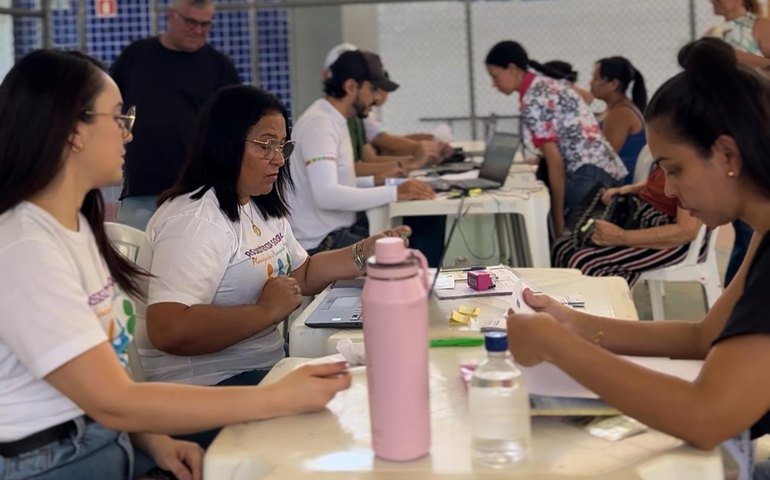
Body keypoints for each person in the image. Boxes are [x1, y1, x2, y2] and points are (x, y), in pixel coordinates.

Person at [0, 49, 349, 480]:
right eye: (117, 118)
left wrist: (156, 442)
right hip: (56, 462)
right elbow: (113, 398)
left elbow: (109, 383)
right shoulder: (26, 246)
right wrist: (275, 397)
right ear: (74, 131)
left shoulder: (75, 229)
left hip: (106, 443)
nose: (129, 135)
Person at [505, 38, 770, 473]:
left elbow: (705, 417)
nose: (667, 189)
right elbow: (703, 338)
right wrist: (573, 324)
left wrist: (557, 346)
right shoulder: (764, 230)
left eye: (676, 168)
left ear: (727, 155)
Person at [135, 84, 410, 448]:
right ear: (226, 143)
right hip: (206, 391)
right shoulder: (196, 220)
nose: (278, 159)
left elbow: (303, 275)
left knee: (371, 385)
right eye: (265, 145)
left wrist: (365, 251)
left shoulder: (256, 204)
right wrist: (264, 312)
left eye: (282, 146)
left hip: (261, 374)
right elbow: (168, 329)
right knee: (349, 416)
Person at [287, 49, 447, 266]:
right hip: (322, 243)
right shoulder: (320, 123)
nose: (377, 98)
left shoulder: (336, 119)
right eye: (372, 89)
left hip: (342, 230)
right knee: (405, 263)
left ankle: (423, 289)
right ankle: (419, 292)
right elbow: (326, 195)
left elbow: (338, 182)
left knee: (426, 221)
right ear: (351, 86)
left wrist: (380, 181)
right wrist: (394, 191)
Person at [111, 0, 241, 230]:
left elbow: (233, 128)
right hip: (141, 189)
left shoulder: (220, 67)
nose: (198, 30)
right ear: (171, 17)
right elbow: (111, 105)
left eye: (205, 24)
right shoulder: (136, 57)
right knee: (134, 261)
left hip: (198, 193)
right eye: (191, 22)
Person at [485, 41, 627, 237]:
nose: (493, 84)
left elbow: (555, 160)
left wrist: (558, 217)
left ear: (512, 69)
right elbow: (589, 101)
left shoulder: (532, 99)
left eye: (495, 76)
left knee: (571, 242)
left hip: (586, 174)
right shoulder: (547, 83)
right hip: (605, 169)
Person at [551, 163, 702, 287]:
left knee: (585, 262)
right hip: (641, 221)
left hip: (673, 242)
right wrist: (626, 189)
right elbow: (658, 182)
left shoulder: (690, 166)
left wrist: (622, 237)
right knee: (561, 247)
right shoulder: (671, 149)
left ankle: (599, 321)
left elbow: (686, 231)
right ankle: (567, 314)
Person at [707, 0, 768, 286]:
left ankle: (741, 297)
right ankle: (737, 297)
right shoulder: (712, 33)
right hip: (725, 131)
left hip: (755, 127)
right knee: (740, 218)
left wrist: (736, 57)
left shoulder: (760, 26)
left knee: (751, 218)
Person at [589, 56, 648, 183]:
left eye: (596, 78)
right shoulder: (615, 108)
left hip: (620, 182)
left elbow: (605, 157)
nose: (590, 82)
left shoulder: (620, 113)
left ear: (614, 84)